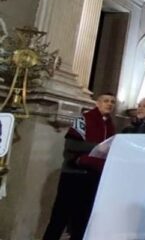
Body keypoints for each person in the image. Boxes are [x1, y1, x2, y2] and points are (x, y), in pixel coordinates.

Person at [43, 93, 116, 240]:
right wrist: (97, 147)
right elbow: (71, 145)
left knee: (81, 220)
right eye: (106, 101)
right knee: (60, 217)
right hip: (74, 174)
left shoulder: (111, 125)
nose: (109, 104)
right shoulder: (83, 119)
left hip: (93, 176)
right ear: (97, 103)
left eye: (113, 102)